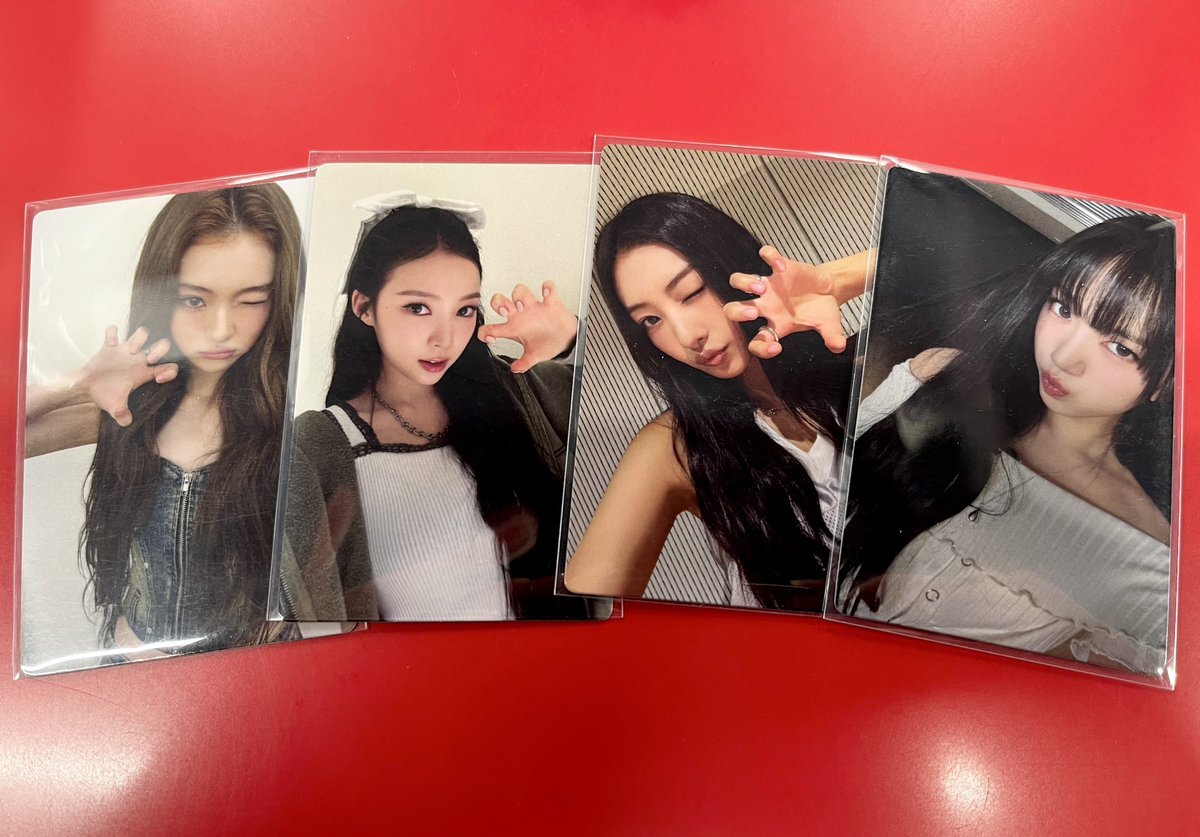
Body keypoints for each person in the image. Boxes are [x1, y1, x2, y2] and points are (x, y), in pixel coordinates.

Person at [838, 215, 1175, 675]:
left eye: (1121, 347)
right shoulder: (944, 379)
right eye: (1063, 308)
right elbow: (832, 487)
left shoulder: (1147, 555)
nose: (1062, 357)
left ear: (1167, 381)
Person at [24, 183, 303, 656]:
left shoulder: (295, 421)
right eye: (194, 300)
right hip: (136, 668)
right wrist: (79, 381)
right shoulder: (127, 410)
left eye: (251, 299)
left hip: (255, 672)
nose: (221, 330)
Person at [279, 195, 587, 621]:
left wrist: (572, 340)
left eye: (464, 310)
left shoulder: (515, 393)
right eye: (418, 308)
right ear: (364, 307)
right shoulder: (319, 447)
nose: (445, 338)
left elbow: (643, 404)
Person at [562, 192, 871, 610]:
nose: (687, 335)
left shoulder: (864, 366)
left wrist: (835, 281)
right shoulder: (675, 445)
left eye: (691, 292)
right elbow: (579, 615)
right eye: (650, 320)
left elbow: (958, 252)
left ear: (734, 267)